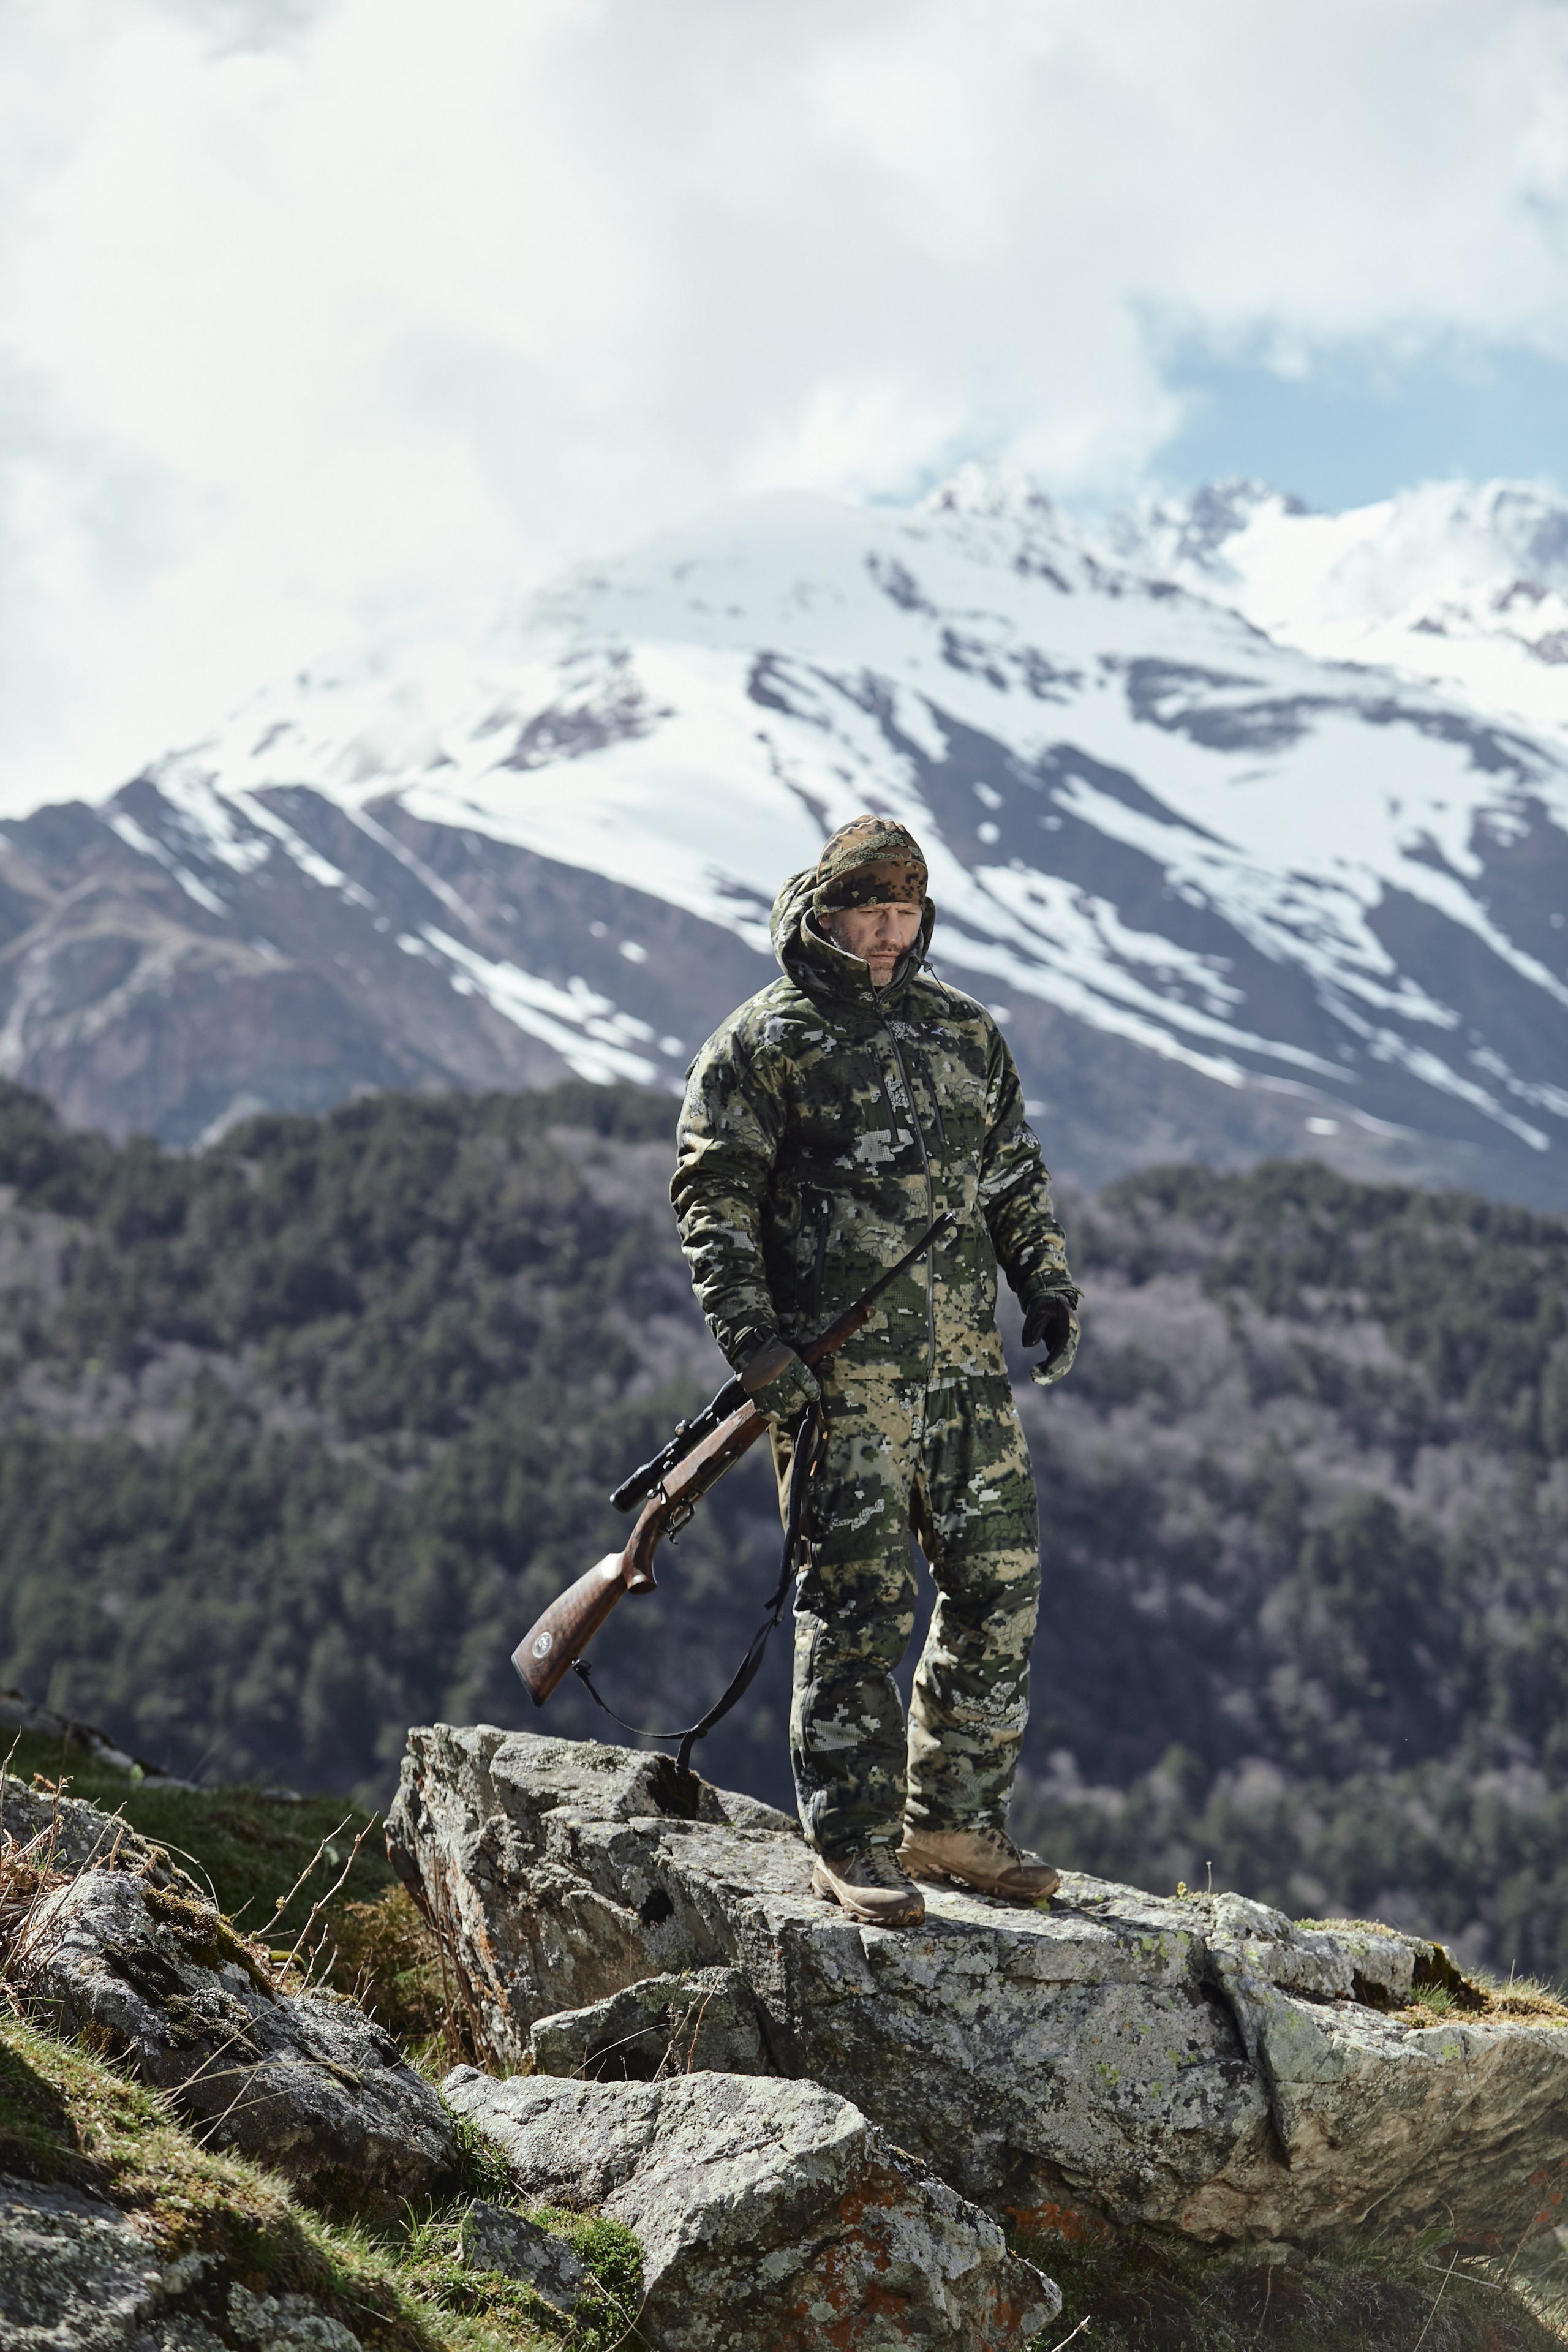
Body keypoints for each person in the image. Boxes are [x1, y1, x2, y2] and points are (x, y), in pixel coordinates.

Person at [671, 815, 1079, 1928]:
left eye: (906, 911)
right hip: (836, 1381)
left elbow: (1010, 1173)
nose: (892, 932)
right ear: (826, 912)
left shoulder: (962, 1031)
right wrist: (753, 1341)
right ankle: (852, 1842)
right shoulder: (766, 1042)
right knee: (859, 1603)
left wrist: (1044, 1283)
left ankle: (952, 1821)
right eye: (872, 912)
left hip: (963, 1372)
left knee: (1000, 1581)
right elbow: (715, 1198)